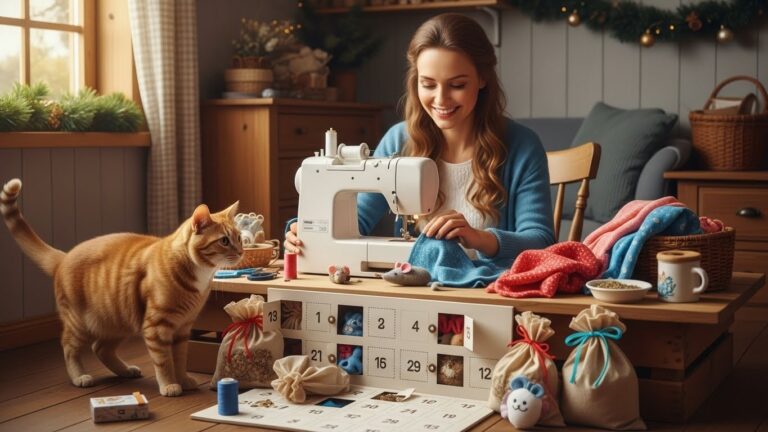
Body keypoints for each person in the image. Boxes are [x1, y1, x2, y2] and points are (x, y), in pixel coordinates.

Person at [285, 13, 554, 267]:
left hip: (489, 290)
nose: (441, 99)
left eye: (457, 85)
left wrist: (479, 238)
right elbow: (357, 220)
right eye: (428, 84)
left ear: (482, 78)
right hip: (418, 288)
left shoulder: (521, 146)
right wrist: (306, 231)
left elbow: (541, 240)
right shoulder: (399, 140)